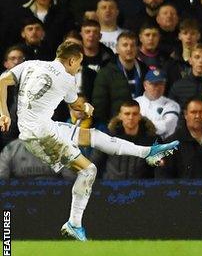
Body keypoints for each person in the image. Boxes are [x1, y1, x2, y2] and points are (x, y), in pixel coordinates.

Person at [0, 41, 179, 241]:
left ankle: (147, 152)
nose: (78, 69)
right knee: (89, 170)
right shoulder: (66, 79)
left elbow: (2, 80)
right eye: (79, 63)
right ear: (71, 60)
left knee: (94, 136)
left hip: (42, 127)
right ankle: (74, 224)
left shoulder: (31, 64)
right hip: (41, 136)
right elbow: (77, 105)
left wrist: (4, 113)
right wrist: (86, 108)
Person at [157, 98, 202, 178]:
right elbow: (163, 179)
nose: (197, 116)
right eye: (193, 112)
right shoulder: (169, 145)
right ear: (186, 114)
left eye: (201, 112)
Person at [91, 100, 159, 179]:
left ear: (140, 116)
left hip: (141, 188)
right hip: (111, 187)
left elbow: (158, 170)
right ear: (120, 116)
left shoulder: (152, 141)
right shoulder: (107, 138)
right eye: (127, 114)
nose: (131, 117)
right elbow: (94, 164)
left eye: (135, 114)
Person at [135, 69, 181, 140]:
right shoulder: (135, 102)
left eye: (161, 84)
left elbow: (165, 127)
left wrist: (138, 125)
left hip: (162, 145)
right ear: (145, 85)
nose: (157, 87)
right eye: (153, 84)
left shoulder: (172, 105)